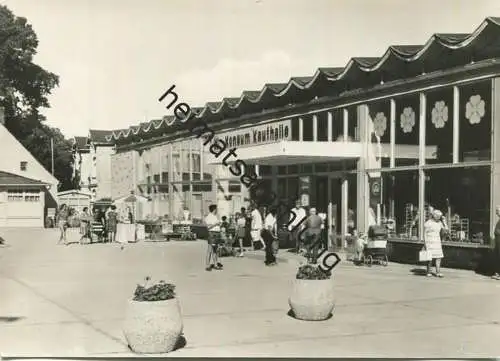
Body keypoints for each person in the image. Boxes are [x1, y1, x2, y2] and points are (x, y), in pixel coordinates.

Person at [423, 209, 447, 277]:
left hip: (437, 241)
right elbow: (425, 234)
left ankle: (438, 272)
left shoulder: (440, 223)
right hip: (430, 241)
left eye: (440, 216)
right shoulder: (428, 223)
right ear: (434, 216)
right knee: (429, 258)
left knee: (438, 257)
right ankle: (428, 272)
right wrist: (425, 243)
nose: (439, 217)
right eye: (438, 216)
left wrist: (444, 222)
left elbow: (446, 231)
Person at [205, 204, 223, 271]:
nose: (217, 210)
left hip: (217, 233)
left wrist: (219, 224)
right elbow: (208, 227)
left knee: (215, 250)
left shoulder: (215, 217)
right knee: (210, 249)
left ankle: (215, 264)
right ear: (214, 209)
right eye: (216, 209)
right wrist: (216, 224)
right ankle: (207, 265)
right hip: (212, 233)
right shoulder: (208, 217)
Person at [492, 206, 500, 279]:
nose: (496, 212)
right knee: (497, 257)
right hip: (498, 241)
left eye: (497, 211)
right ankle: (497, 273)